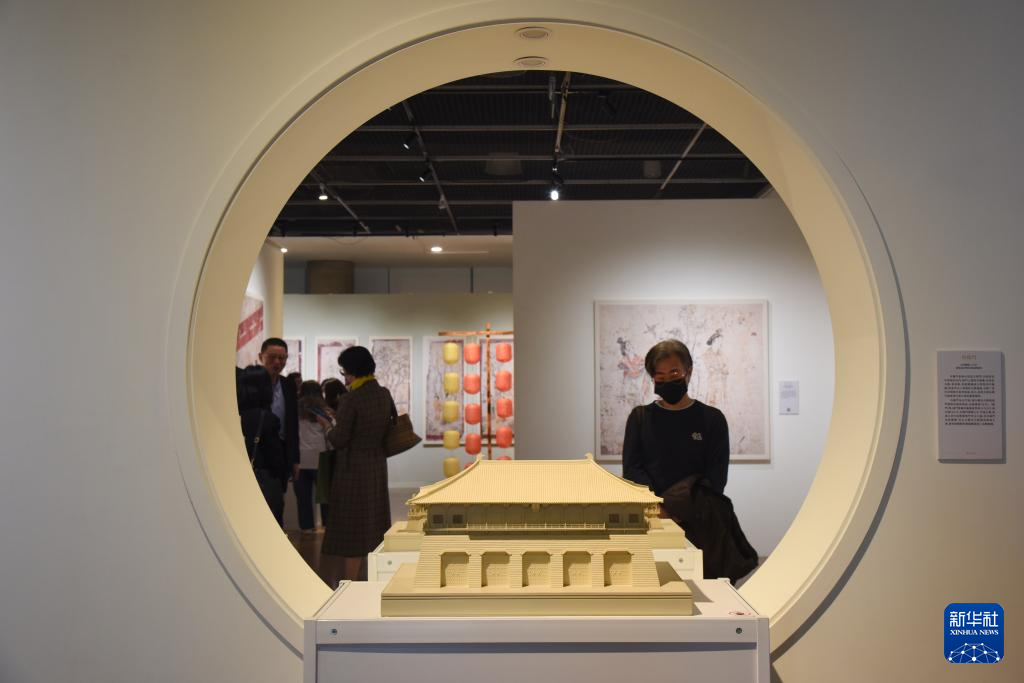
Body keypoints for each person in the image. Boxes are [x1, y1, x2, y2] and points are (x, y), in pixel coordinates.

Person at [317, 345, 395, 584]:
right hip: (376, 465)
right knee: (373, 524)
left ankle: (349, 585)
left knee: (352, 531)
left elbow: (340, 439)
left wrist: (327, 426)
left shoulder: (351, 398)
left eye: (344, 371)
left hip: (352, 470)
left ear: (351, 371)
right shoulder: (383, 394)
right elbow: (387, 427)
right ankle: (375, 581)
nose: (344, 377)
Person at [622, 339, 729, 497]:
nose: (668, 381)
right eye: (660, 377)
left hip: (699, 510)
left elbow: (716, 478)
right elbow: (632, 471)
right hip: (651, 509)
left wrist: (681, 506)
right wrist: (658, 505)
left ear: (689, 372)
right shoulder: (639, 419)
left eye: (674, 374)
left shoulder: (713, 419)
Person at [236, 365, 290, 525]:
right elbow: (275, 459)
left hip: (238, 480)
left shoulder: (234, 415)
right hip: (264, 479)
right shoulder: (268, 419)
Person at [257, 338, 300, 525]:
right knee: (267, 504)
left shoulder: (288, 385)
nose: (277, 362)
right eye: (272, 357)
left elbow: (293, 424)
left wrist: (295, 459)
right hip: (259, 452)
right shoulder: (252, 384)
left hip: (282, 454)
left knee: (277, 501)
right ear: (261, 357)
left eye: (282, 358)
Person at [295, 380, 331, 534]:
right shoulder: (324, 411)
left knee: (303, 497)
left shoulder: (295, 410)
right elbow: (330, 434)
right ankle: (327, 525)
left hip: (300, 458)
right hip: (320, 456)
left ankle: (307, 527)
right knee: (325, 496)